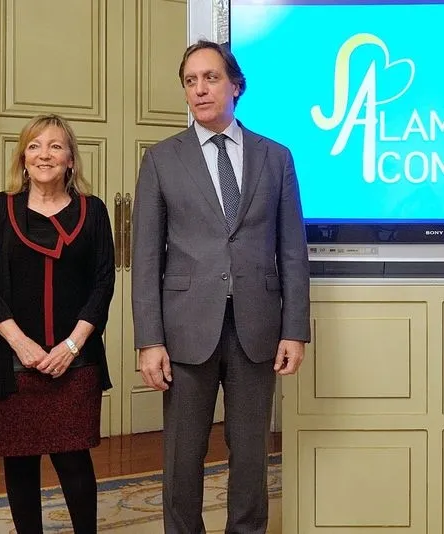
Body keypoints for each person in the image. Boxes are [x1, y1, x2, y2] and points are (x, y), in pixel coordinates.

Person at [131, 40, 310, 533]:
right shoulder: (162, 159)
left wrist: (294, 330)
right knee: (182, 456)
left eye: (210, 78)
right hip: (185, 330)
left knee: (251, 456)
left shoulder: (276, 157)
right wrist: (149, 340)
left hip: (257, 328)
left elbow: (292, 251)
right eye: (190, 81)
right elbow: (146, 258)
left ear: (236, 86)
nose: (199, 89)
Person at [0, 114, 115, 533]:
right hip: (11, 363)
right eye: (34, 146)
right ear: (23, 157)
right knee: (19, 461)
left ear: (70, 159)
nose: (44, 154)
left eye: (55, 146)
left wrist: (71, 346)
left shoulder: (93, 211)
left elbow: (103, 283)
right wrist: (21, 344)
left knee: (74, 459)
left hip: (74, 362)